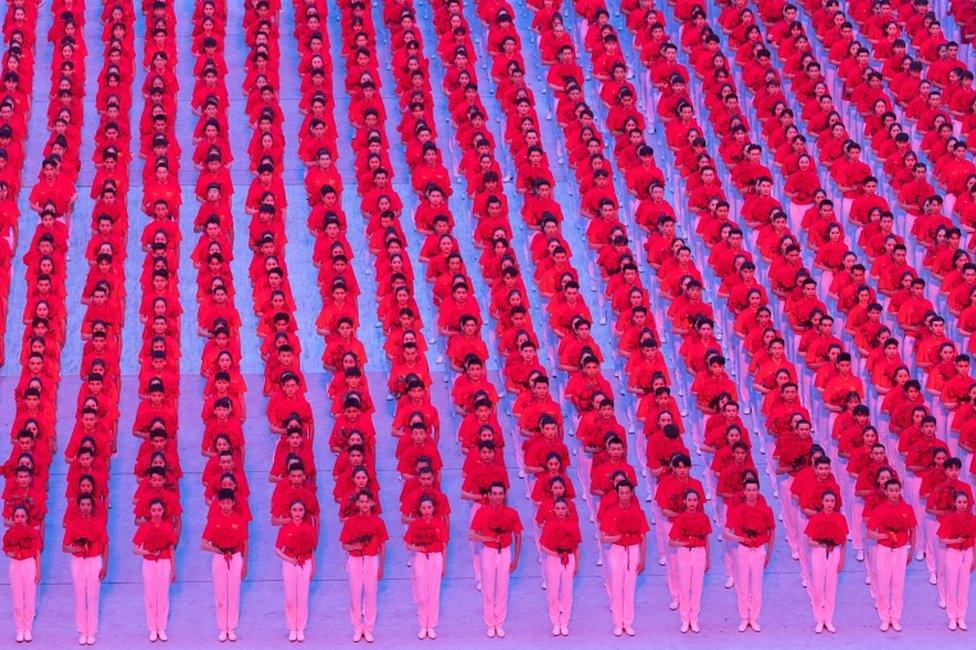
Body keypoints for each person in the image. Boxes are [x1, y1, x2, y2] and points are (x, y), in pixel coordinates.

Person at [469, 481, 523, 638]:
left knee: (502, 588)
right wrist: (490, 538)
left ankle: (499, 623)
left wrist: (516, 559)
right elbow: (472, 535)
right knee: (488, 588)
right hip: (487, 551)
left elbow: (518, 536)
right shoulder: (482, 512)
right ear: (489, 495)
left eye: (500, 494)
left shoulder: (512, 513)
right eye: (495, 494)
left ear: (504, 495)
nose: (498, 497)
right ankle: (489, 622)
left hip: (505, 552)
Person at [724, 478, 774, 632]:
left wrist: (768, 553)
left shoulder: (766, 510)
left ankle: (754, 617)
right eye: (749, 490)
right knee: (742, 584)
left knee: (757, 585)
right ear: (744, 492)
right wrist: (740, 538)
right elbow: (726, 533)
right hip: (743, 550)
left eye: (754, 490)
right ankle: (744, 617)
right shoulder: (736, 510)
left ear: (758, 491)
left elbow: (771, 531)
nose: (752, 493)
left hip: (759, 550)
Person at [598, 479, 648, 636]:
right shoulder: (610, 512)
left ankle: (628, 622)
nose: (625, 495)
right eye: (622, 493)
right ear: (617, 494)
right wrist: (617, 537)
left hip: (633, 550)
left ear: (632, 493)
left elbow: (643, 537)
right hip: (617, 550)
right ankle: (617, 623)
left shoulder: (638, 512)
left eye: (627, 492)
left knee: (630, 587)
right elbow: (603, 538)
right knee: (617, 586)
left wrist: (642, 559)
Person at [866, 478, 916, 632]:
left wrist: (911, 551)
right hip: (884, 550)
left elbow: (912, 531)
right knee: (883, 584)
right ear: (886, 492)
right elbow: (869, 533)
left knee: (898, 585)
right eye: (891, 490)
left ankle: (895, 618)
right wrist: (885, 536)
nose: (894, 493)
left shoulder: (907, 508)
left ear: (900, 491)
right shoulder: (879, 510)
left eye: (897, 490)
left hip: (901, 550)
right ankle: (884, 617)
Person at [340, 490, 388, 642]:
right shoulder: (350, 522)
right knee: (355, 593)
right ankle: (357, 627)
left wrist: (381, 566)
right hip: (354, 560)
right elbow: (344, 545)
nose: (364, 504)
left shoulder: (378, 522)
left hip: (372, 559)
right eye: (361, 501)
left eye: (367, 501)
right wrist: (355, 546)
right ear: (357, 504)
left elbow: (382, 545)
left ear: (372, 503)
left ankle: (368, 628)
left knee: (371, 593)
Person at [201, 488, 249, 642]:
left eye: (229, 502)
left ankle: (232, 628)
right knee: (220, 594)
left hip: (235, 557)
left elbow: (245, 543)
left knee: (233, 593)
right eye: (223, 502)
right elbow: (203, 544)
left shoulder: (239, 520)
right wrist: (219, 550)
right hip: (220, 557)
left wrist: (244, 564)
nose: (226, 505)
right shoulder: (213, 520)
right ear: (219, 503)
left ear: (233, 503)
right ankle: (222, 628)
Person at [63, 494, 109, 645]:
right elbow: (64, 547)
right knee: (80, 596)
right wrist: (76, 547)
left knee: (93, 596)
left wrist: (105, 565)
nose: (85, 508)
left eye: (88, 505)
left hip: (94, 561)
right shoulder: (73, 523)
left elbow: (105, 546)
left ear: (92, 506)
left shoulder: (99, 523)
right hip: (78, 562)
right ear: (78, 506)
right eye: (82, 504)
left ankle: (92, 631)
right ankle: (82, 631)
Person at [404, 495, 449, 639]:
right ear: (420, 509)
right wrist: (419, 549)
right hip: (420, 558)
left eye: (429, 507)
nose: (427, 510)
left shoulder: (439, 523)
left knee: (434, 592)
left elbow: (443, 545)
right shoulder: (415, 524)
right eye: (424, 508)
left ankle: (431, 625)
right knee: (422, 594)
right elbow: (407, 545)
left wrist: (444, 564)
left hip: (436, 557)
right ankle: (423, 624)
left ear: (433, 508)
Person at [132, 499, 178, 642]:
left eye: (159, 510)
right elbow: (135, 549)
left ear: (163, 511)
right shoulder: (144, 527)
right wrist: (149, 552)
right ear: (150, 512)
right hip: (149, 563)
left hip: (164, 563)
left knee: (163, 595)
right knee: (150, 595)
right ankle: (152, 628)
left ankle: (162, 628)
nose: (156, 513)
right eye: (153, 510)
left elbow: (171, 548)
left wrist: (173, 569)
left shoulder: (168, 526)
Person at [804, 490, 847, 633]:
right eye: (827, 501)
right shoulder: (815, 519)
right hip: (819, 553)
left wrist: (841, 559)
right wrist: (822, 544)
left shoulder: (840, 518)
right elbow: (809, 541)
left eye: (832, 501)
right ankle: (818, 619)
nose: (830, 504)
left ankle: (828, 619)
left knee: (831, 587)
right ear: (822, 502)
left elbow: (843, 541)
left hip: (834, 552)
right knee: (817, 587)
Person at [669, 489, 711, 633]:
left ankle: (694, 618)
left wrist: (707, 559)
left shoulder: (704, 518)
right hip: (684, 553)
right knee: (684, 587)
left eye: (694, 500)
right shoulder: (680, 519)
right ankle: (685, 618)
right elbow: (671, 542)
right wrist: (684, 543)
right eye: (689, 500)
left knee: (697, 587)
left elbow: (706, 540)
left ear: (698, 502)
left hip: (699, 553)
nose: (692, 503)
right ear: (684, 502)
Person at [275, 500, 318, 642]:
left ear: (304, 512)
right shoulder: (285, 528)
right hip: (289, 563)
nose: (298, 513)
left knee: (302, 595)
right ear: (290, 512)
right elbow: (277, 550)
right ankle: (291, 628)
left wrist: (313, 565)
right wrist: (289, 559)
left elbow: (312, 549)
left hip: (305, 563)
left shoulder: (309, 528)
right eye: (295, 510)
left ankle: (300, 628)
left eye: (300, 510)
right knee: (290, 596)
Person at [538, 496, 581, 636]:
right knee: (553, 591)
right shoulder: (549, 523)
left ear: (567, 509)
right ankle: (555, 622)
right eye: (557, 508)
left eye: (563, 508)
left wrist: (576, 563)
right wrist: (556, 555)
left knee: (567, 591)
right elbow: (543, 547)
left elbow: (576, 545)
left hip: (569, 558)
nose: (560, 511)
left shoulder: (573, 523)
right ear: (553, 509)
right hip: (553, 559)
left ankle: (565, 622)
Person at [937, 491, 976, 630]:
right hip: (952, 553)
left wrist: (974, 559)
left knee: (964, 587)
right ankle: (952, 617)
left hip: (967, 553)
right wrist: (955, 540)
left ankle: (961, 617)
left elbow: (975, 540)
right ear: (954, 503)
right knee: (952, 586)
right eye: (959, 502)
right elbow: (941, 539)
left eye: (965, 502)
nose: (962, 505)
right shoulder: (949, 518)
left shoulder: (972, 518)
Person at [3, 505, 40, 642]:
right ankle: (19, 629)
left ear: (27, 518)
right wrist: (10, 553)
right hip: (15, 565)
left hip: (29, 564)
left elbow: (37, 552)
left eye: (22, 516)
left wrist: (38, 571)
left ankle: (28, 629)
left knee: (30, 598)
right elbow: (6, 549)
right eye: (17, 516)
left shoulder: (33, 532)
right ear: (13, 518)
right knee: (17, 600)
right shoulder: (9, 533)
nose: (19, 519)